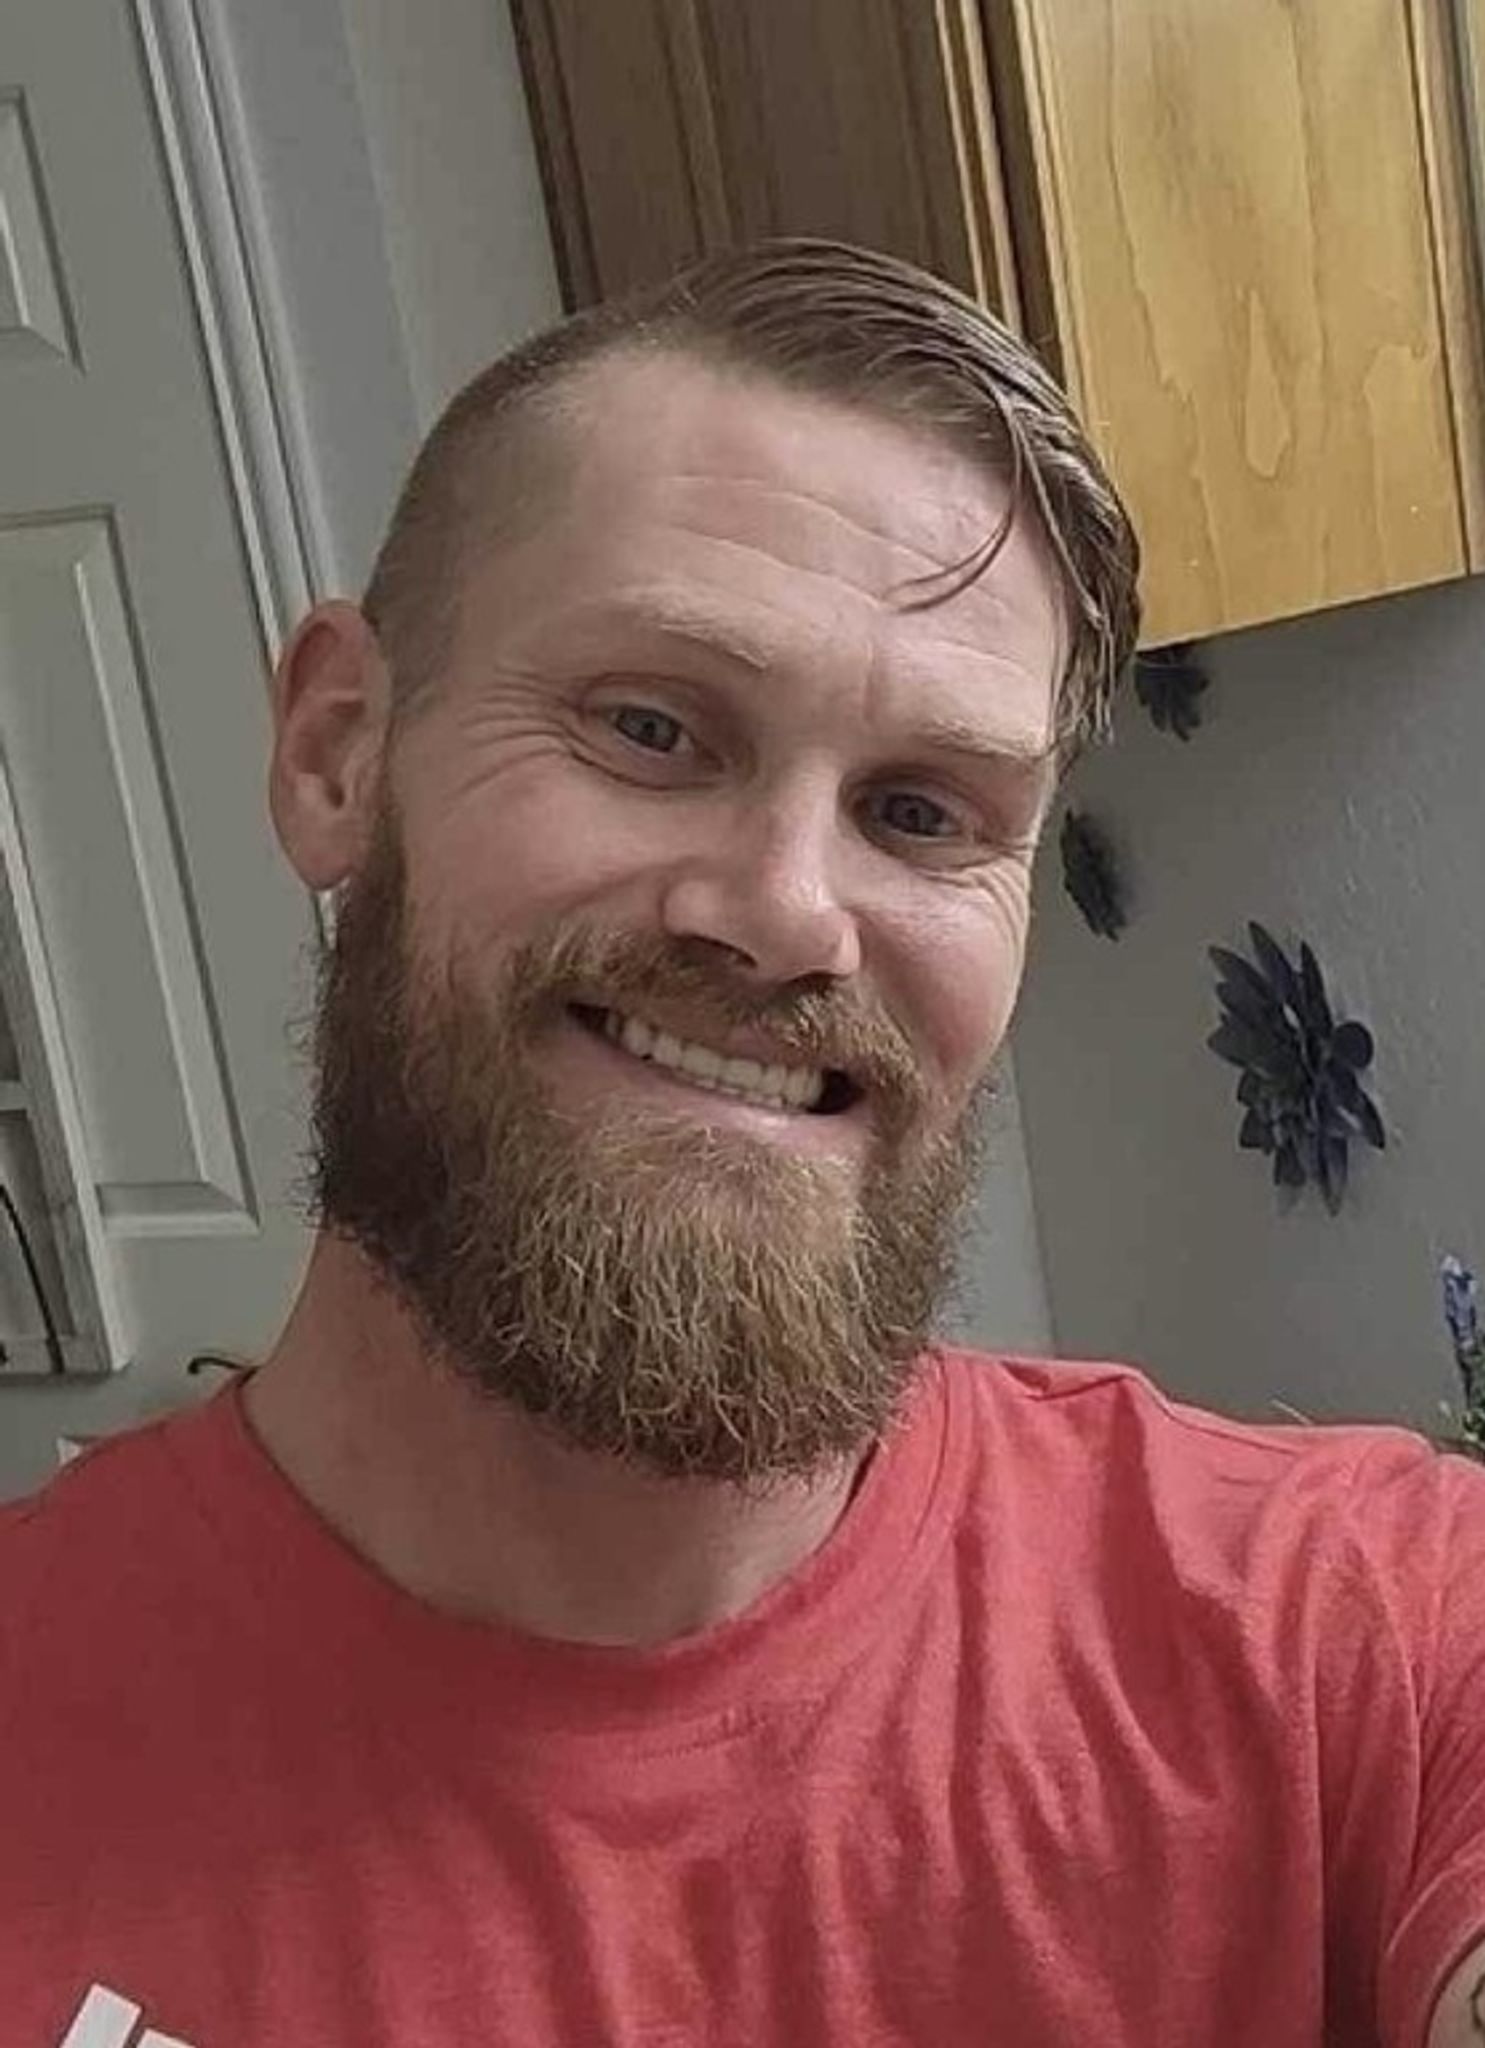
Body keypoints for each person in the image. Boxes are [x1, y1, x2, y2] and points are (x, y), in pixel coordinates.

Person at [2, 239, 1483, 2048]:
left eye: (921, 813)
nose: (788, 914)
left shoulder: (1353, 1634)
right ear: (337, 754)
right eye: (650, 728)